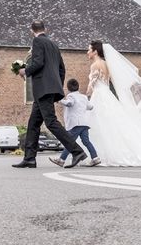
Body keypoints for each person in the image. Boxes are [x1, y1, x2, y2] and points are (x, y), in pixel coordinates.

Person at [13, 20, 87, 169]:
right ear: (45, 29)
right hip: (50, 88)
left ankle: (77, 151)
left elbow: (38, 63)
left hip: (43, 89)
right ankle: (29, 158)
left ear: (31, 30)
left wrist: (24, 71)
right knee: (33, 124)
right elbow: (62, 69)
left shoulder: (37, 41)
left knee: (51, 122)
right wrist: (56, 86)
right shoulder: (53, 44)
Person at [49, 78, 100, 168]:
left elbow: (70, 103)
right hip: (84, 123)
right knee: (86, 141)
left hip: (76, 123)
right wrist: (82, 106)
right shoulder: (83, 97)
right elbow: (90, 107)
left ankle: (61, 160)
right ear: (78, 87)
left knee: (69, 142)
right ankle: (95, 158)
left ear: (68, 88)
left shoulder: (71, 96)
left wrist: (60, 101)